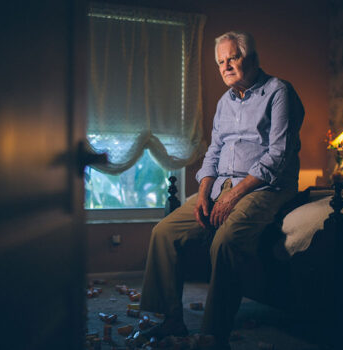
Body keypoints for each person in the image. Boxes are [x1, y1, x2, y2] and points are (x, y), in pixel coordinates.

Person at [139, 31, 304, 349]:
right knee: (163, 232)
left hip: (265, 186)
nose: (226, 66)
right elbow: (213, 153)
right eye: (220, 62)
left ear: (252, 59)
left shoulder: (279, 91)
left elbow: (279, 154)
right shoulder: (223, 102)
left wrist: (233, 194)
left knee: (226, 241)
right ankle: (172, 319)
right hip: (220, 185)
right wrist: (203, 194)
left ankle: (214, 334)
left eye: (233, 58)